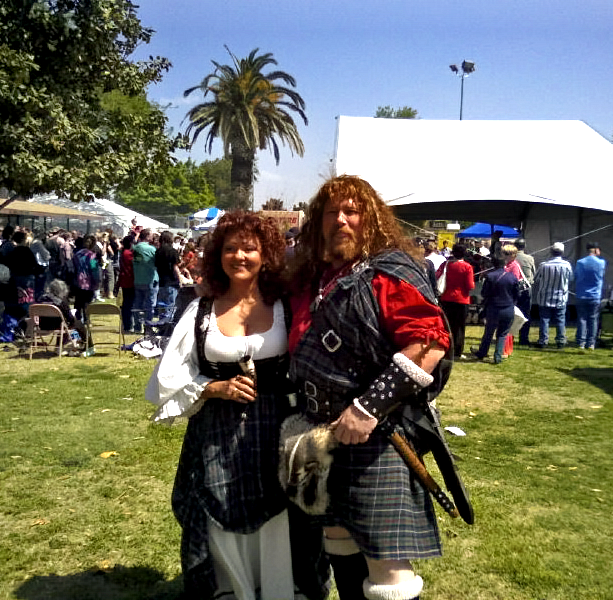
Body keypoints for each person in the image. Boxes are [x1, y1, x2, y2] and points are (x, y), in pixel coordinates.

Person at [287, 175, 468, 600]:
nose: (341, 220)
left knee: (387, 565)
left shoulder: (389, 271)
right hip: (318, 429)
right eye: (332, 212)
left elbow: (429, 343)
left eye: (352, 211)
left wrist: (367, 408)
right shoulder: (315, 275)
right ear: (318, 222)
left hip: (376, 435)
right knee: (338, 539)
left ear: (371, 219)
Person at [146, 212, 329, 600]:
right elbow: (169, 376)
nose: (240, 256)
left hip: (277, 428)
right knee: (216, 503)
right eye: (230, 248)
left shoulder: (286, 306)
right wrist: (213, 388)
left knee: (283, 512)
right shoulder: (201, 311)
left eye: (249, 248)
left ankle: (280, 588)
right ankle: (229, 590)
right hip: (217, 432)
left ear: (266, 255)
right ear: (218, 255)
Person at [470, 256, 519, 363]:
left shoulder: (490, 276)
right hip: (508, 308)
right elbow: (517, 294)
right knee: (502, 334)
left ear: (493, 265)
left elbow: (484, 293)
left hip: (493, 308)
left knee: (488, 332)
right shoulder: (512, 277)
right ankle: (497, 356)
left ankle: (482, 352)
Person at [436, 243, 474, 360]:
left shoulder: (445, 264)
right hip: (461, 300)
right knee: (460, 327)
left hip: (446, 298)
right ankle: (457, 351)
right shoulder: (467, 267)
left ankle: (445, 347)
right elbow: (470, 285)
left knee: (447, 326)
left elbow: (437, 276)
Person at [533, 242, 573, 349]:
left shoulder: (543, 265)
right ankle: (560, 341)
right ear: (562, 252)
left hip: (544, 297)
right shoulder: (567, 265)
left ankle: (543, 341)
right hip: (561, 297)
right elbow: (571, 279)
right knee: (560, 319)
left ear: (551, 251)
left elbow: (535, 279)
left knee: (544, 320)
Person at [575, 241, 606, 350]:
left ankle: (581, 342)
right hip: (595, 295)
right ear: (596, 250)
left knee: (582, 319)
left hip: (581, 294)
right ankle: (591, 343)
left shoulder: (580, 262)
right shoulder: (601, 263)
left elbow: (577, 276)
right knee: (593, 320)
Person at [132, 228, 159, 333]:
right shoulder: (151, 249)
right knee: (150, 305)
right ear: (147, 236)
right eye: (151, 235)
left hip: (138, 279)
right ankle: (148, 326)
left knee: (137, 305)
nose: (152, 237)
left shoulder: (134, 248)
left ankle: (137, 326)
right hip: (150, 279)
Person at [513, 238, 535, 345]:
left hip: (513, 289)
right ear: (524, 246)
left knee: (513, 313)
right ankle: (524, 338)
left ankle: (510, 337)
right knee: (526, 314)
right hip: (526, 288)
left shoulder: (511, 258)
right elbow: (533, 273)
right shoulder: (529, 258)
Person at [117, 236, 135, 333]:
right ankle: (128, 325)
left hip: (125, 280)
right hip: (129, 281)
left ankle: (126, 324)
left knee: (126, 304)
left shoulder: (123, 252)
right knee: (128, 304)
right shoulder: (128, 253)